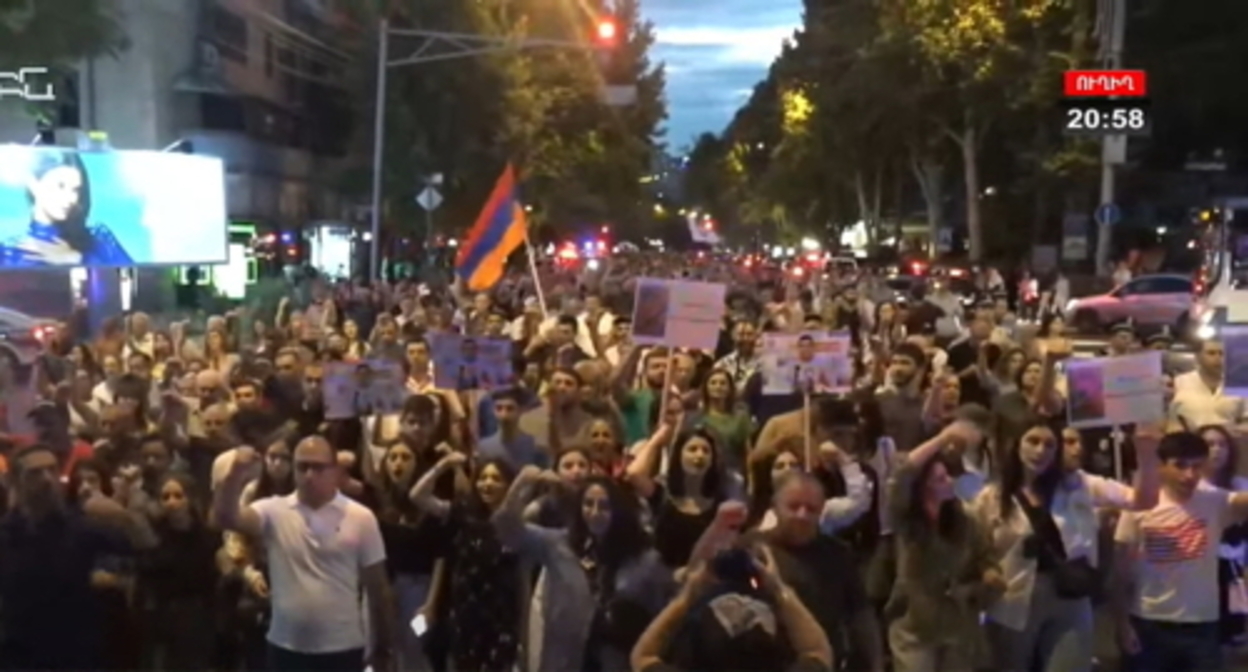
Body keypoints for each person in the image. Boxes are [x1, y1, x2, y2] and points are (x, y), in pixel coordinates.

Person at [213, 435, 397, 672]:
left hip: (343, 647)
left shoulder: (361, 517)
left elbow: (377, 587)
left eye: (318, 467)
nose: (309, 475)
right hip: (286, 646)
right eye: (302, 467)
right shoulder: (274, 510)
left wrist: (383, 646)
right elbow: (225, 517)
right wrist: (235, 473)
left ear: (334, 470)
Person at [1, 149, 132, 266]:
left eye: (75, 189)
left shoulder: (99, 238)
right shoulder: (8, 252)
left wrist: (77, 259)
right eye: (61, 186)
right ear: (33, 183)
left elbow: (139, 283)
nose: (71, 198)